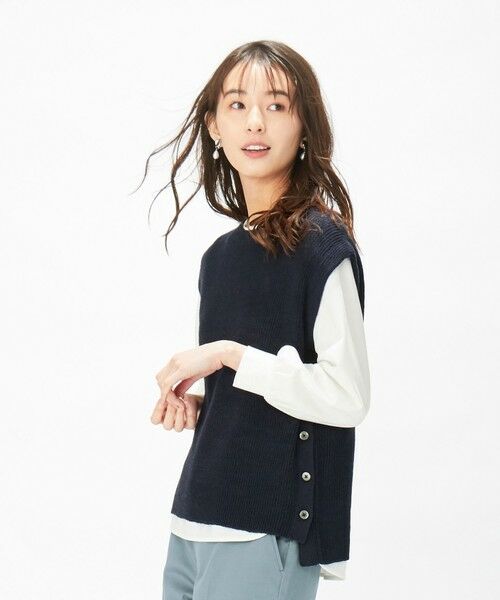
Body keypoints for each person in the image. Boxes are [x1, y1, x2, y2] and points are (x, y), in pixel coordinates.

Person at [145, 40, 371, 600]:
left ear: (305, 127)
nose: (255, 122)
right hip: (193, 520)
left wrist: (227, 354)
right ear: (214, 126)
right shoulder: (220, 258)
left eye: (276, 105)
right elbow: (270, 390)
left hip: (265, 529)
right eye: (237, 104)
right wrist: (212, 408)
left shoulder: (322, 248)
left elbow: (347, 395)